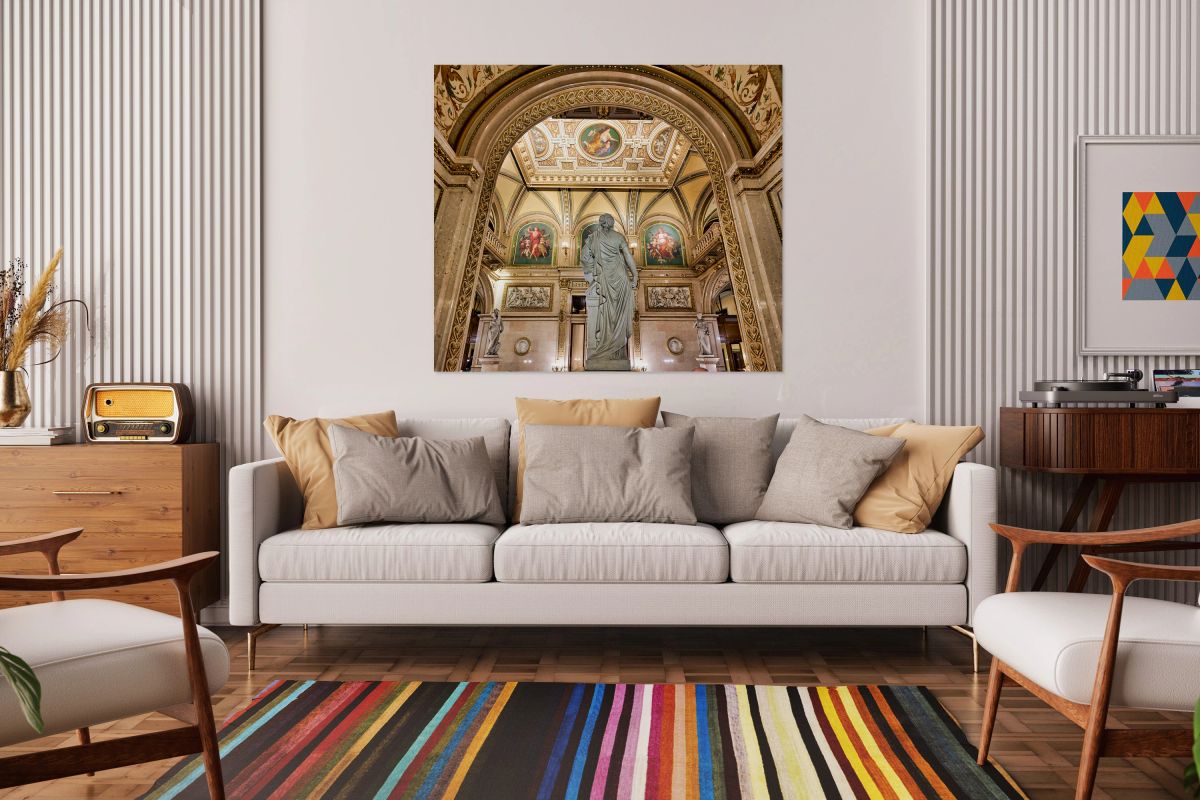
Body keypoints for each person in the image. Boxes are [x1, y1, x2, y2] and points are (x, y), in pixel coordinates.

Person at [580, 213, 638, 369]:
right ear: (612, 224)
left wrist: (591, 271)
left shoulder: (594, 237)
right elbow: (628, 257)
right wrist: (635, 275)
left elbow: (584, 257)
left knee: (606, 312)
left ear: (601, 223)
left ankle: (604, 348)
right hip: (620, 276)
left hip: (604, 276)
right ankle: (616, 352)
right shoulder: (619, 237)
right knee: (619, 314)